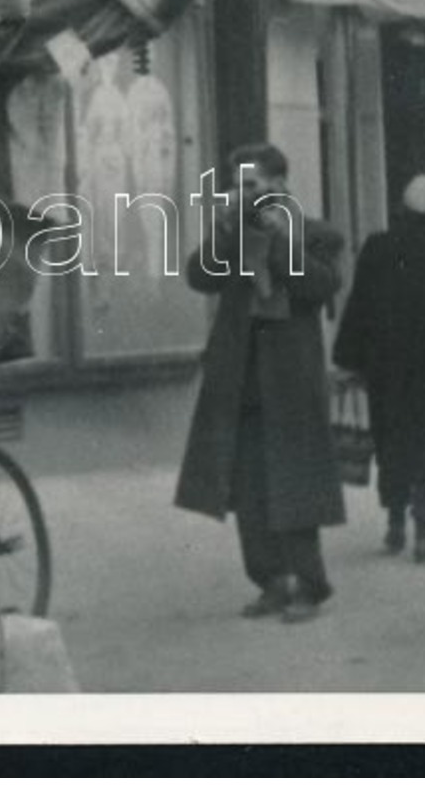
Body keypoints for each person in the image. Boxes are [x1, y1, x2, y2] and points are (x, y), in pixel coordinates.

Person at [175, 142, 347, 623]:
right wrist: (229, 229)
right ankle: (270, 579)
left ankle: (309, 584)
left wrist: (282, 241)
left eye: (251, 184)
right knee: (248, 486)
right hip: (240, 375)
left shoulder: (316, 234)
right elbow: (198, 276)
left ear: (279, 183)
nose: (242, 193)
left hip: (289, 376)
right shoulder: (231, 230)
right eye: (236, 184)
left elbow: (320, 287)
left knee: (294, 480)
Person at [333, 172, 425, 563]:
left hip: (385, 365)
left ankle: (395, 524)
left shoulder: (378, 246)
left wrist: (348, 358)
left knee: (391, 442)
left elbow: (360, 304)